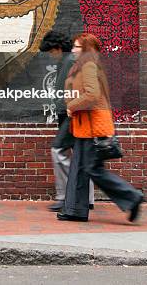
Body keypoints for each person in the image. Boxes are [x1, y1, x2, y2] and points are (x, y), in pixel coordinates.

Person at [57, 32, 143, 222]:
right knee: (80, 168)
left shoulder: (88, 66)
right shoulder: (82, 66)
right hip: (84, 126)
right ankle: (75, 211)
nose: (72, 50)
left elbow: (92, 95)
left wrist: (71, 106)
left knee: (93, 169)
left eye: (77, 47)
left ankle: (132, 197)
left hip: (92, 127)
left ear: (85, 49)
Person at [39, 31, 94, 212]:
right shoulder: (68, 61)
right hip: (72, 113)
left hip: (71, 113)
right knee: (80, 153)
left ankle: (66, 196)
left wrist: (65, 105)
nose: (50, 55)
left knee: (58, 150)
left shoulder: (69, 61)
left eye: (51, 51)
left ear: (58, 48)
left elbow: (72, 91)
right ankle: (86, 197)